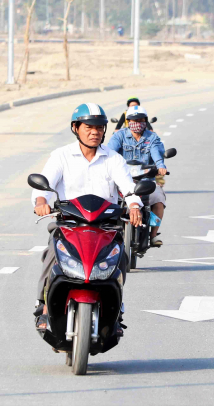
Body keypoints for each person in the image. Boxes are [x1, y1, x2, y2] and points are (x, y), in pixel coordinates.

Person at [31, 103, 143, 331]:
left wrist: (133, 205)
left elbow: (129, 187)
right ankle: (43, 307)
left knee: (119, 257)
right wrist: (41, 201)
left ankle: (116, 308)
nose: (95, 132)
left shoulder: (113, 159)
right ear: (75, 128)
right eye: (88, 127)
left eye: (100, 128)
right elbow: (43, 185)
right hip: (69, 224)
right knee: (52, 254)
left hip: (106, 227)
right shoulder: (61, 156)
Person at [107, 105, 168, 247]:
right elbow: (110, 154)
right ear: (128, 121)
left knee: (158, 200)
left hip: (146, 181)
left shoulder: (152, 138)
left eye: (140, 120)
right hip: (122, 181)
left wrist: (160, 166)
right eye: (133, 120)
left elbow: (156, 154)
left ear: (145, 121)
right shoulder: (119, 136)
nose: (137, 123)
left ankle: (153, 235)